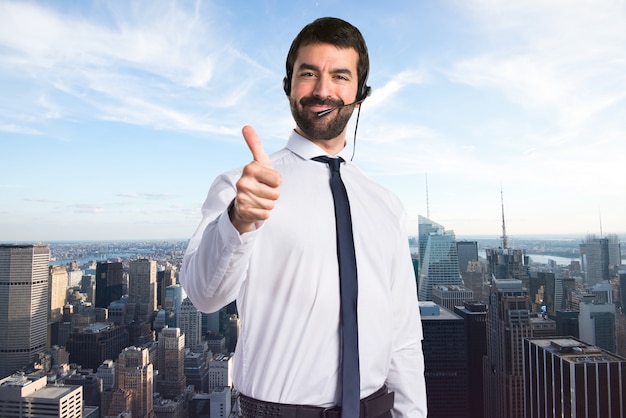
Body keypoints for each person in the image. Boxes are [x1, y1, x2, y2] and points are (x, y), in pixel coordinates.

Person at [180, 17, 427, 417]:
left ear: (359, 94)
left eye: (340, 76)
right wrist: (238, 220)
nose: (322, 89)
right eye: (308, 73)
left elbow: (402, 335)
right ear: (289, 86)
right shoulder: (242, 186)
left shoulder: (386, 204)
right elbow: (204, 295)